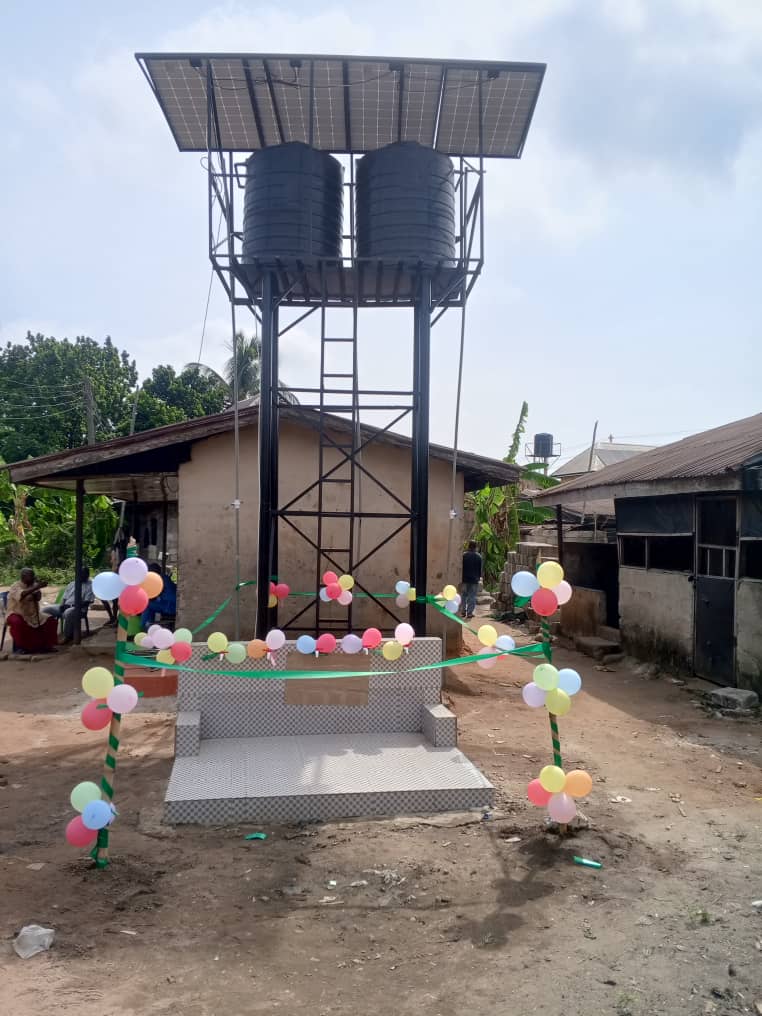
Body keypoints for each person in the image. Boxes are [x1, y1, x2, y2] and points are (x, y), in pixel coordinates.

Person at [6, 568, 59, 654]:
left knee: (50, 620)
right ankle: (20, 648)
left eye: (33, 576)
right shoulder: (15, 586)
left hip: (32, 613)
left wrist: (38, 589)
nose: (33, 578)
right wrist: (36, 587)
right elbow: (22, 594)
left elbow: (38, 598)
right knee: (17, 622)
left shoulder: (33, 584)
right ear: (23, 577)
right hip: (16, 612)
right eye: (31, 576)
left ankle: (47, 645)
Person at [42, 567, 94, 644]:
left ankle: (67, 636)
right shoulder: (72, 583)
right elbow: (65, 597)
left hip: (79, 609)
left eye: (83, 574)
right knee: (46, 610)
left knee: (69, 612)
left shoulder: (90, 586)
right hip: (66, 605)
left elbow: (86, 602)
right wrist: (62, 605)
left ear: (87, 575)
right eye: (79, 574)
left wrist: (71, 606)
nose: (80, 575)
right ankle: (48, 635)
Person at [141, 563, 177, 630]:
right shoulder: (165, 578)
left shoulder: (156, 580)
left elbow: (153, 597)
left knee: (147, 604)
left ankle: (146, 627)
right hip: (174, 605)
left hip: (170, 607)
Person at [461, 540, 483, 620]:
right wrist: (479, 577)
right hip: (474, 580)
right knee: (472, 596)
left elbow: (460, 567)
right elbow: (480, 569)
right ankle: (469, 613)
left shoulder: (464, 555)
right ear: (476, 547)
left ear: (468, 546)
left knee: (463, 595)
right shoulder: (479, 556)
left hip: (464, 579)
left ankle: (462, 611)